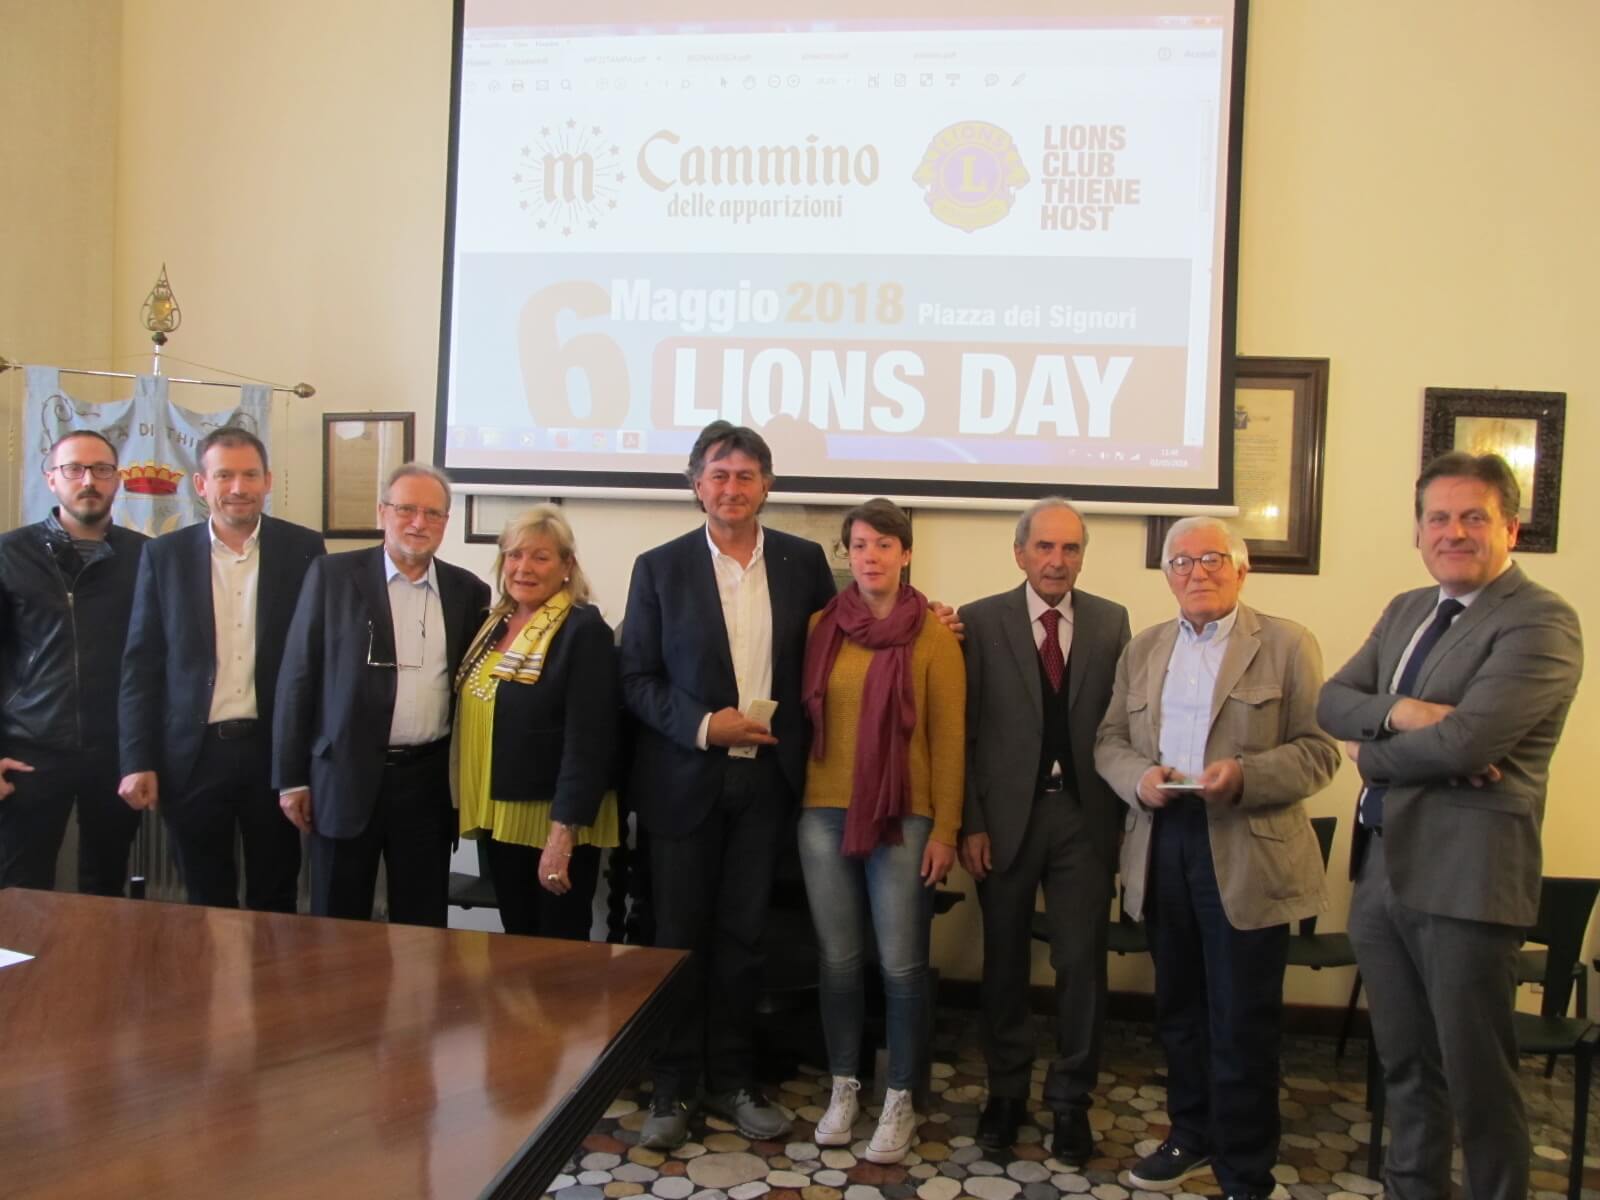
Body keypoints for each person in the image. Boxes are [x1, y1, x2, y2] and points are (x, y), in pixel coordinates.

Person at [1317, 451, 1582, 1200]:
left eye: (1473, 517)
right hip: (1383, 872)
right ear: (1419, 530)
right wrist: (1405, 713)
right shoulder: (1408, 609)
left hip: (1468, 880)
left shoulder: (1541, 620)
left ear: (1511, 529)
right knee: (1405, 1068)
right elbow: (1331, 701)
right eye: (1439, 518)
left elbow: (1468, 744)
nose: (1453, 532)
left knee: (1478, 1082)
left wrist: (1370, 754)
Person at [1094, 517, 1339, 1197]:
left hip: (1246, 847)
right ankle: (1190, 1135)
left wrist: (1247, 776)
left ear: (1241, 568)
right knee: (1177, 1010)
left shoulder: (1287, 644)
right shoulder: (1145, 648)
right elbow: (1110, 740)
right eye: (1181, 561)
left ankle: (1244, 1166)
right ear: (1167, 575)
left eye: (1211, 558)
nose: (1196, 572)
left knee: (1242, 1018)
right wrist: (1138, 779)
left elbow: (1319, 752)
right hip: (1161, 841)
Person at [621, 421, 839, 1148]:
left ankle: (734, 1078)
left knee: (745, 938)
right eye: (718, 475)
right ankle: (674, 1084)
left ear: (767, 485)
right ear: (696, 485)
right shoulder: (659, 568)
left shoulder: (805, 562)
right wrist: (702, 725)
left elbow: (845, 642)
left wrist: (929, 619)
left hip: (768, 783)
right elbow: (636, 678)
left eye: (746, 475)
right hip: (685, 780)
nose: (732, 488)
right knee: (677, 938)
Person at [957, 497, 1130, 1166]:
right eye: (1045, 547)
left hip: (1083, 818)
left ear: (1082, 556)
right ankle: (1005, 1094)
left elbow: (1122, 723)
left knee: (1081, 965)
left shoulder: (1112, 621)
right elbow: (964, 732)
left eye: (1070, 548)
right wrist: (972, 822)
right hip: (1005, 819)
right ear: (1020, 553)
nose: (1057, 560)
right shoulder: (979, 620)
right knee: (1003, 962)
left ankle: (1070, 1102)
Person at [798, 499, 964, 1164]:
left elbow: (949, 740)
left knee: (901, 965)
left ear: (906, 554)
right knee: (837, 961)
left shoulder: (934, 634)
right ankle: (845, 1086)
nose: (870, 557)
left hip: (905, 817)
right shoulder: (821, 625)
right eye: (860, 545)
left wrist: (946, 829)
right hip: (822, 810)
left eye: (884, 545)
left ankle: (900, 1097)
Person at [273, 462, 490, 927]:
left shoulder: (469, 591)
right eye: (406, 509)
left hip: (428, 784)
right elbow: (297, 679)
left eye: (432, 513)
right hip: (343, 777)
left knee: (422, 928)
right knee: (336, 926)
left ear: (446, 522)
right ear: (382, 512)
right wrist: (291, 778)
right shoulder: (331, 576)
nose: (419, 523)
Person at [117, 427, 325, 911]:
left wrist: (308, 763)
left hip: (274, 754)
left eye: (250, 475)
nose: (238, 488)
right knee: (204, 897)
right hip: (192, 756)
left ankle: (269, 966)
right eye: (224, 475)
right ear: (200, 484)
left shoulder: (304, 550)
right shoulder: (164, 555)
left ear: (268, 481)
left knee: (276, 895)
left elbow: (319, 661)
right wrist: (136, 759)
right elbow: (141, 666)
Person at [451, 506, 620, 939]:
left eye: (540, 557)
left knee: (558, 947)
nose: (523, 567)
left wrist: (562, 836)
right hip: (498, 812)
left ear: (567, 566)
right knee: (518, 938)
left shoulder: (583, 630)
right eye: (514, 554)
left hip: (553, 821)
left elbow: (590, 742)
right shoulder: (492, 623)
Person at [0, 430, 147, 894]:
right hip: (29, 750)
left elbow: (158, 661)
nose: (88, 481)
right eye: (74, 469)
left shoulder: (146, 556)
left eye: (101, 470)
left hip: (116, 752)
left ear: (117, 480)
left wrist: (145, 752)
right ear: (51, 479)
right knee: (21, 890)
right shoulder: (9, 554)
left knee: (105, 888)